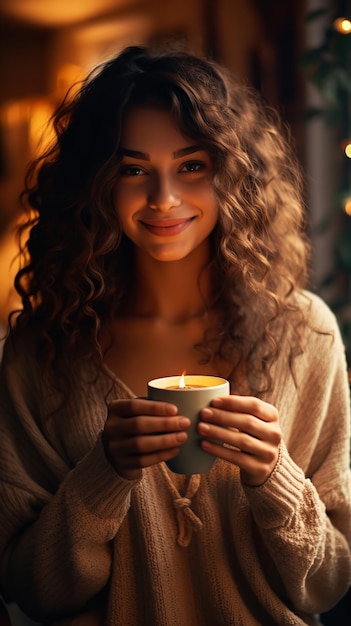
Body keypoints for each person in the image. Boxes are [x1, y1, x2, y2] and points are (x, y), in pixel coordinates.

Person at [0, 44, 350, 626]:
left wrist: (276, 479)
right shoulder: (43, 352)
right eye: (133, 169)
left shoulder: (305, 333)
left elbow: (330, 583)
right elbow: (30, 588)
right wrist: (100, 475)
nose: (163, 198)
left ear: (234, 176)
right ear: (97, 183)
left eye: (191, 165)